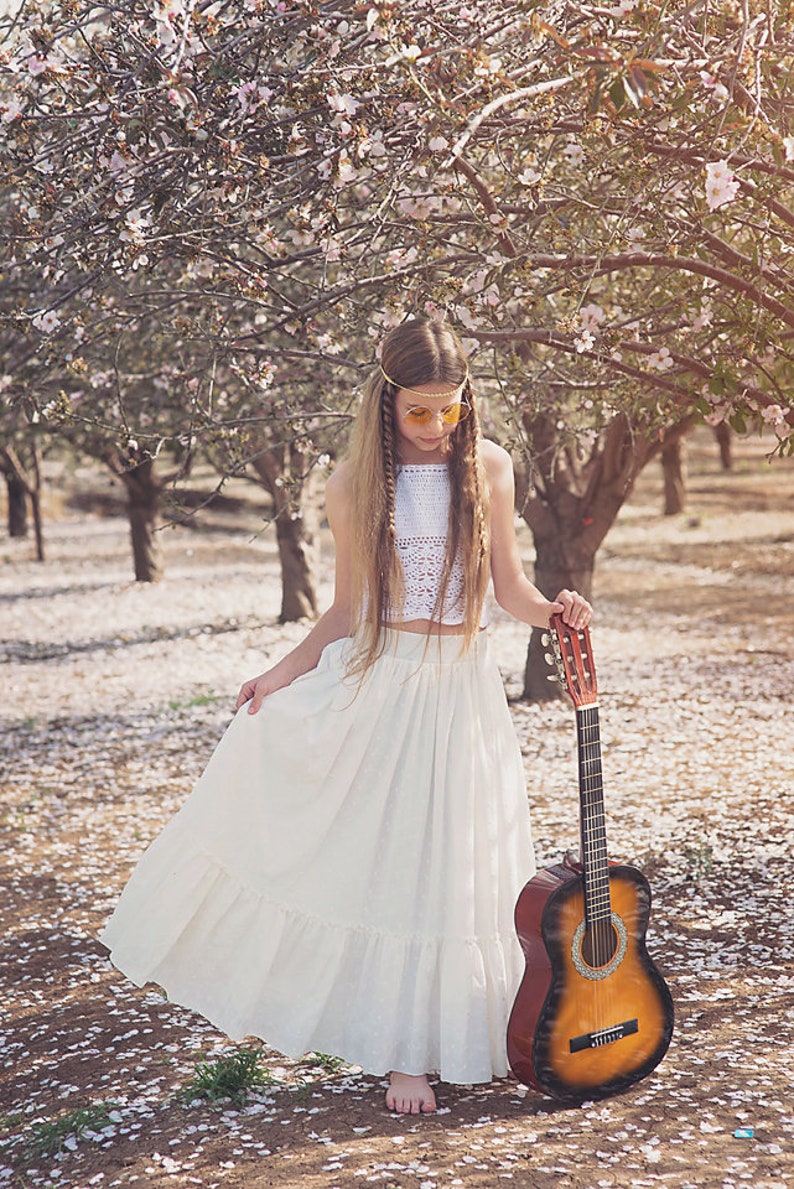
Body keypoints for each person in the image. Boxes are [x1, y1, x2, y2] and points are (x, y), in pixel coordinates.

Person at [100, 318, 592, 1116]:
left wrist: (556, 612)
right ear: (387, 402)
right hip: (386, 683)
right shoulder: (353, 482)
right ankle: (403, 1053)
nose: (438, 427)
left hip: (464, 689)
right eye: (419, 412)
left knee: (465, 856)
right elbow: (347, 610)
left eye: (451, 408)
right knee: (399, 859)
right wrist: (279, 673)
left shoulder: (490, 468)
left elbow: (510, 590)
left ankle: (472, 1027)